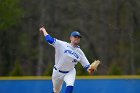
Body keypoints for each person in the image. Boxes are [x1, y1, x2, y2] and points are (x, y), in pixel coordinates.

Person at [40, 27, 96, 93]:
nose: (77, 38)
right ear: (70, 38)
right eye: (75, 36)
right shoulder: (62, 44)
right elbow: (49, 39)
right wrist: (44, 30)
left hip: (70, 72)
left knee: (70, 85)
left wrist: (93, 69)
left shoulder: (80, 53)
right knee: (56, 91)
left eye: (78, 37)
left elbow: (88, 68)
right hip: (57, 72)